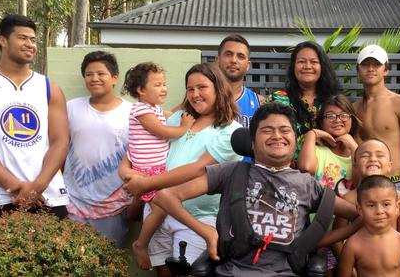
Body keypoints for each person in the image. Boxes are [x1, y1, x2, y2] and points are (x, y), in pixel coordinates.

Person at [152, 103, 359, 277]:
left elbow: (357, 216)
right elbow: (166, 196)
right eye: (267, 130)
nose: (277, 136)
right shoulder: (230, 172)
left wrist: (314, 242)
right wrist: (206, 232)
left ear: (295, 140)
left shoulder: (307, 184)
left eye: (285, 130)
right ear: (252, 141)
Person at [121, 63, 242, 276]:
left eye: (202, 87)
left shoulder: (230, 132)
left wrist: (145, 184)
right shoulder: (179, 119)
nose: (195, 94)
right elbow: (143, 145)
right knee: (163, 271)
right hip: (157, 212)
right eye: (190, 88)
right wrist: (126, 169)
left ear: (218, 88)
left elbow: (198, 169)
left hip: (196, 217)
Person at [0, 14, 69, 218]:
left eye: (33, 40)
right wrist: (14, 186)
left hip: (47, 195)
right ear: (3, 41)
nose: (30, 44)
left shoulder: (49, 88)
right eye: (22, 38)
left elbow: (61, 142)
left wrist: (38, 186)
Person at [118, 62, 195, 269]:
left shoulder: (154, 109)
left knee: (156, 208)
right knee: (160, 211)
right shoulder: (141, 110)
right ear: (141, 90)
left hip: (155, 171)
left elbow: (170, 114)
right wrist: (184, 127)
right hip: (147, 172)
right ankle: (141, 244)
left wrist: (182, 110)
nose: (164, 88)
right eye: (158, 85)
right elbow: (162, 132)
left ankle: (134, 208)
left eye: (165, 84)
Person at [62, 51, 133, 247]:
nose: (94, 79)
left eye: (101, 74)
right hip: (73, 202)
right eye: (89, 74)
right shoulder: (71, 108)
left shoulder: (132, 113)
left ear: (114, 78)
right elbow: (57, 147)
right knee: (72, 262)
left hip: (113, 205)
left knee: (106, 263)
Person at [298, 94, 360, 275]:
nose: (337, 120)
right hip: (318, 231)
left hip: (349, 232)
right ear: (321, 122)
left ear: (352, 120)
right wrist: (312, 134)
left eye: (344, 115)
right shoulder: (317, 150)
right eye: (330, 116)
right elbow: (306, 168)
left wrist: (354, 146)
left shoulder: (360, 151)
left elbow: (368, 180)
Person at [353, 44, 400, 207]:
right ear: (358, 71)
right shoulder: (354, 109)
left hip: (396, 184)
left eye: (376, 64)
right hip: (366, 186)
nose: (370, 68)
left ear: (386, 70)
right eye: (365, 64)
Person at [268, 41, 340, 163]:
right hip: (286, 171)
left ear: (322, 66)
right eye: (301, 61)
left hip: (327, 172)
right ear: (293, 66)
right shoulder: (277, 100)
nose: (307, 66)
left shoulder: (334, 101)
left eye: (314, 62)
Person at [336, 175, 400, 277]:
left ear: (397, 207)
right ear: (360, 209)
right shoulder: (352, 245)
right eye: (371, 205)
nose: (379, 211)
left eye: (386, 204)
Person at [341, 138, 400, 239]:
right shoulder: (347, 200)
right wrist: (346, 255)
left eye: (379, 155)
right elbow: (336, 241)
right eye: (365, 156)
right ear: (355, 166)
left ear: (389, 166)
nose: (373, 159)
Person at [215, 34, 265, 128]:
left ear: (248, 65)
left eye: (240, 56)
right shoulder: (203, 98)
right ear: (217, 60)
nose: (234, 60)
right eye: (228, 54)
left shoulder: (259, 102)